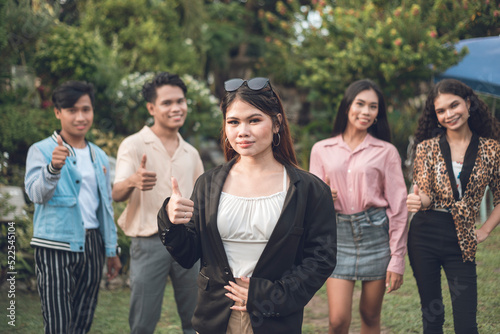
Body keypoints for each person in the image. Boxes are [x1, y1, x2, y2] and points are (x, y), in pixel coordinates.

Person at [157, 77, 337, 334]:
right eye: (233, 122)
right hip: (215, 318)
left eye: (254, 120)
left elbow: (321, 259)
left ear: (276, 123)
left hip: (275, 320)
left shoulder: (309, 190)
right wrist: (170, 220)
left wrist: (270, 295)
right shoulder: (208, 184)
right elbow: (188, 255)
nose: (242, 131)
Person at [309, 79, 408, 334]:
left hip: (375, 234)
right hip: (338, 236)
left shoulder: (387, 152)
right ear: (347, 107)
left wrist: (397, 259)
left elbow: (398, 207)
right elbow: (312, 205)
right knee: (338, 321)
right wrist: (323, 198)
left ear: (378, 114)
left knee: (370, 315)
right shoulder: (321, 149)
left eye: (373, 107)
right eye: (360, 104)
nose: (365, 111)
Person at [24, 80, 121, 334]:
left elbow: (105, 206)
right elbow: (35, 194)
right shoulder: (42, 150)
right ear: (58, 112)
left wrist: (111, 249)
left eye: (86, 109)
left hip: (92, 245)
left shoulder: (98, 155)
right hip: (55, 245)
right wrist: (52, 169)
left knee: (82, 319)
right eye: (72, 110)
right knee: (58, 322)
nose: (80, 117)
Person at [406, 78, 500, 334]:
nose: (449, 114)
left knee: (466, 322)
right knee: (432, 317)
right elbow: (424, 193)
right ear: (435, 116)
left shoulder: (492, 150)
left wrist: (486, 230)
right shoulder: (426, 148)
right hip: (424, 234)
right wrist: (418, 200)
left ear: (468, 104)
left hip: (462, 236)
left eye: (454, 105)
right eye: (441, 110)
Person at [112, 72, 203, 334]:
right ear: (151, 108)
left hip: (188, 243)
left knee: (196, 321)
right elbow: (117, 192)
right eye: (167, 103)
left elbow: (200, 202)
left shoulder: (191, 153)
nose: (176, 108)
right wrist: (133, 180)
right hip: (149, 242)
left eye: (181, 101)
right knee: (142, 323)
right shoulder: (133, 144)